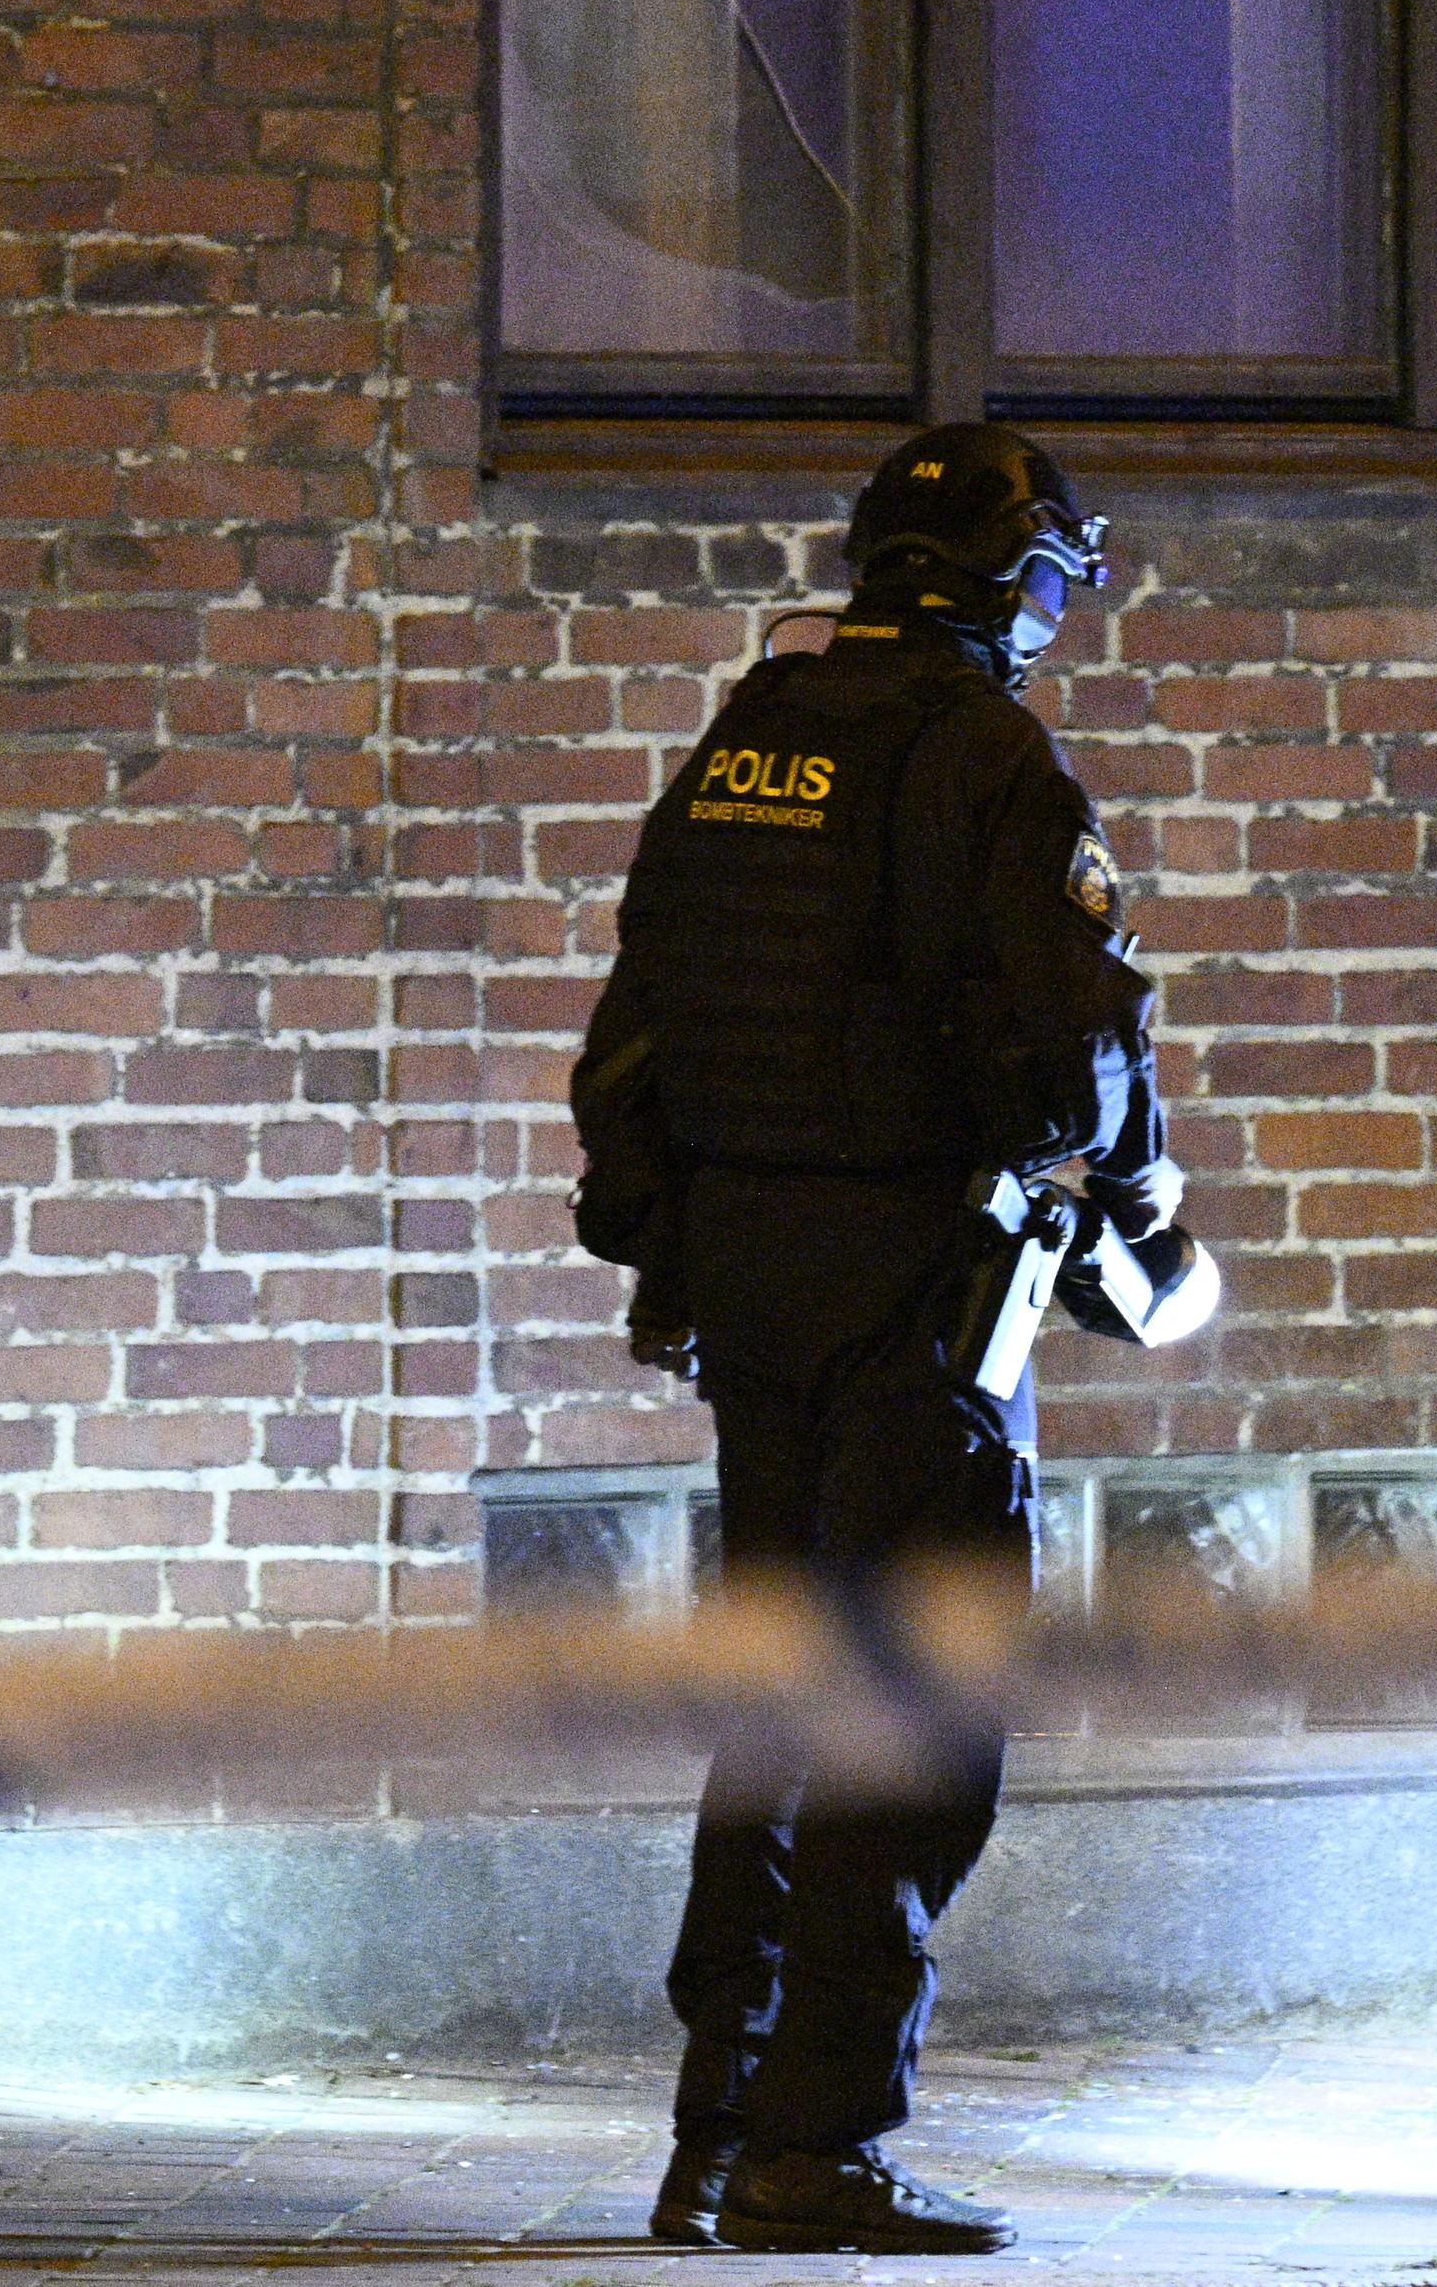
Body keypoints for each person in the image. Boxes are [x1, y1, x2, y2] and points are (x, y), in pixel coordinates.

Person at [569, 424, 1178, 2257]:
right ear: (1019, 585)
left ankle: (714, 2124)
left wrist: (666, 1246)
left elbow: (637, 1022)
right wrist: (1142, 1206)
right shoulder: (985, 753)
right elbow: (1078, 1042)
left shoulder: (751, 732)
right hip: (925, 1286)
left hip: (749, 1284)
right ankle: (818, 2143)